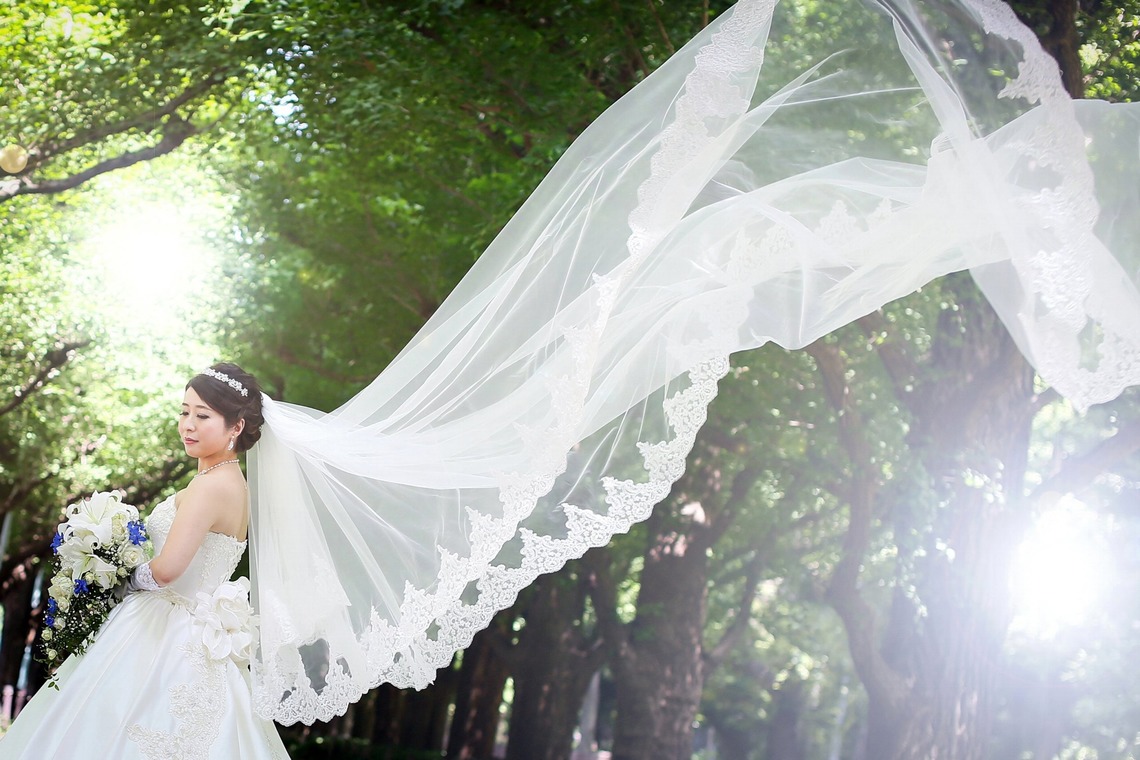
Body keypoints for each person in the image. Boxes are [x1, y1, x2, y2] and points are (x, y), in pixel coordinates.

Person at [0, 364, 290, 759]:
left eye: (202, 415)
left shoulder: (211, 487)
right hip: (192, 632)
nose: (188, 424)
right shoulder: (231, 483)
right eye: (184, 411)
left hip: (165, 631)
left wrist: (113, 575)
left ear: (236, 426)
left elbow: (167, 570)